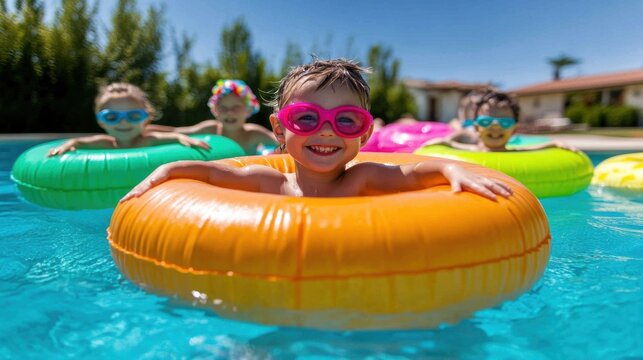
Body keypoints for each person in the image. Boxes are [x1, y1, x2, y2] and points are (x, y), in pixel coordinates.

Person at [122, 59, 511, 202]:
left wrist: (453, 169)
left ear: (363, 134)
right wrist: (164, 171)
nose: (326, 133)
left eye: (345, 121)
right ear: (278, 129)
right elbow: (209, 172)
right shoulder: (267, 183)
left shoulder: (363, 178)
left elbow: (417, 170)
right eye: (306, 118)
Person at [48, 83, 210, 156]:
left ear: (146, 119)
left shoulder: (148, 140)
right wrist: (69, 144)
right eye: (112, 117)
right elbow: (78, 142)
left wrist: (183, 138)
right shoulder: (106, 143)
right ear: (101, 121)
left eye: (133, 116)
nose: (123, 123)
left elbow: (174, 137)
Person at [146, 79, 278, 155]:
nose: (229, 112)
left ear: (248, 110)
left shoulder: (253, 133)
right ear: (215, 111)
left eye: (236, 107)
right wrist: (144, 130)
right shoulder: (211, 129)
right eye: (223, 108)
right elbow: (176, 131)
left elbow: (283, 141)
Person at [424, 91, 577, 152]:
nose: (495, 126)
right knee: (462, 131)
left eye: (504, 123)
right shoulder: (472, 150)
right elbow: (450, 145)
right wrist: (443, 141)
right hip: (471, 137)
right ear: (477, 127)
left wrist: (555, 143)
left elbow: (534, 148)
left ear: (514, 130)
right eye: (486, 122)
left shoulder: (514, 152)